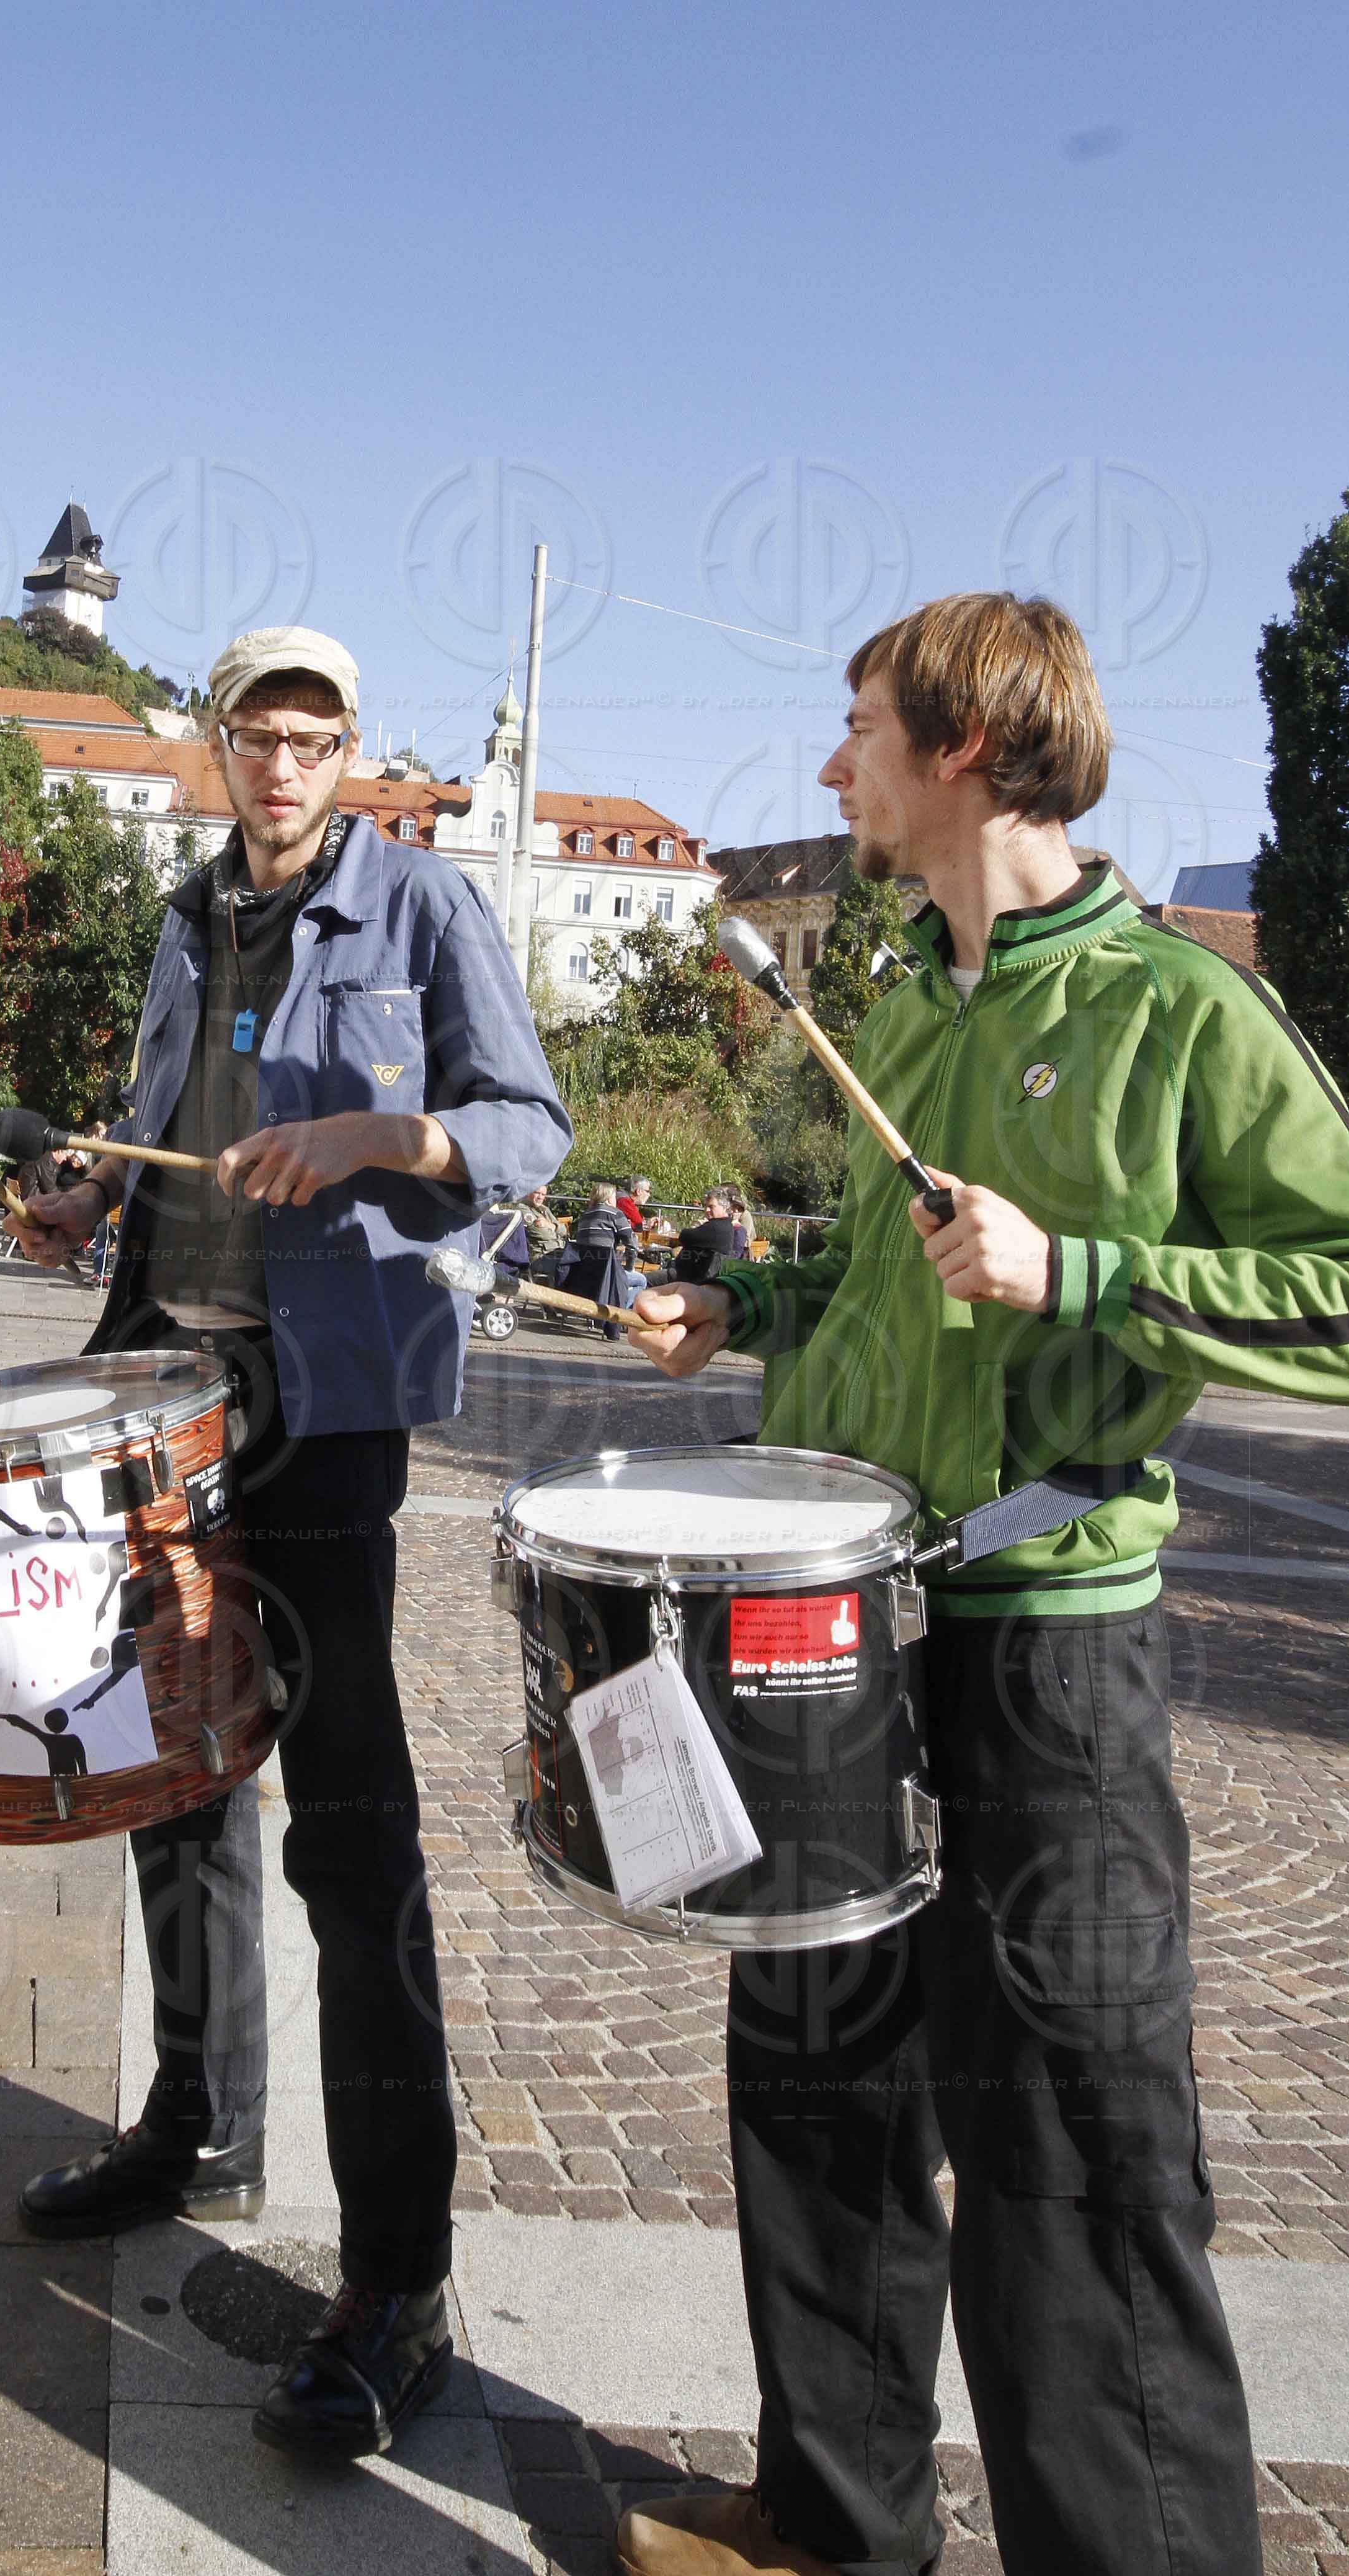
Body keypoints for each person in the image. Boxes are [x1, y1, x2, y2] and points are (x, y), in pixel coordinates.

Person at [615, 591, 1349, 2576]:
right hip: (832, 1627)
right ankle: (835, 2526)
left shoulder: (1175, 1010)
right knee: (817, 2080)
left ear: (959, 747)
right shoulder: (904, 999)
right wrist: (739, 1300)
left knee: (1073, 2150)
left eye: (854, 726)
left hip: (1045, 1651)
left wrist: (1083, 1270)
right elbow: (877, 1285)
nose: (827, 764)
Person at [4, 624, 569, 2457]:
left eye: (315, 735)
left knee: (348, 1825)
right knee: (174, 1777)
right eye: (257, 731)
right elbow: (170, 1116)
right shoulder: (184, 917)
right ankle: (201, 2122)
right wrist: (88, 1188)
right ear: (218, 746)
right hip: (163, 1395)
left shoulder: (416, 905)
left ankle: (397, 2272)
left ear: (349, 751)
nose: (284, 760)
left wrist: (371, 1138)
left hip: (321, 1409)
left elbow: (526, 1128)